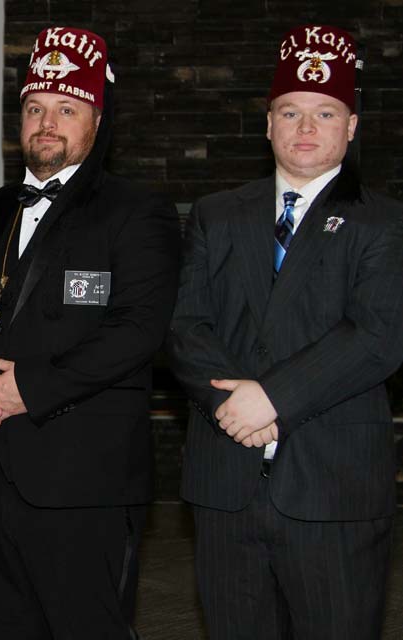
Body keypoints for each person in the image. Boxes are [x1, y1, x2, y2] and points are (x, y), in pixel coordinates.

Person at [0, 26, 179, 639]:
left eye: (67, 109)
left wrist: (30, 389)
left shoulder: (137, 212)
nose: (47, 123)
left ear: (96, 121)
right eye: (35, 109)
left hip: (82, 476)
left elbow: (138, 331)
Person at [167, 24, 403, 640]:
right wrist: (231, 406)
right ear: (267, 123)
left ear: (351, 128)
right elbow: (185, 325)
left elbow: (377, 336)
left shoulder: (384, 224)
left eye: (325, 113)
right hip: (227, 483)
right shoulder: (217, 215)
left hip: (333, 490)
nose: (305, 127)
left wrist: (272, 399)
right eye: (290, 111)